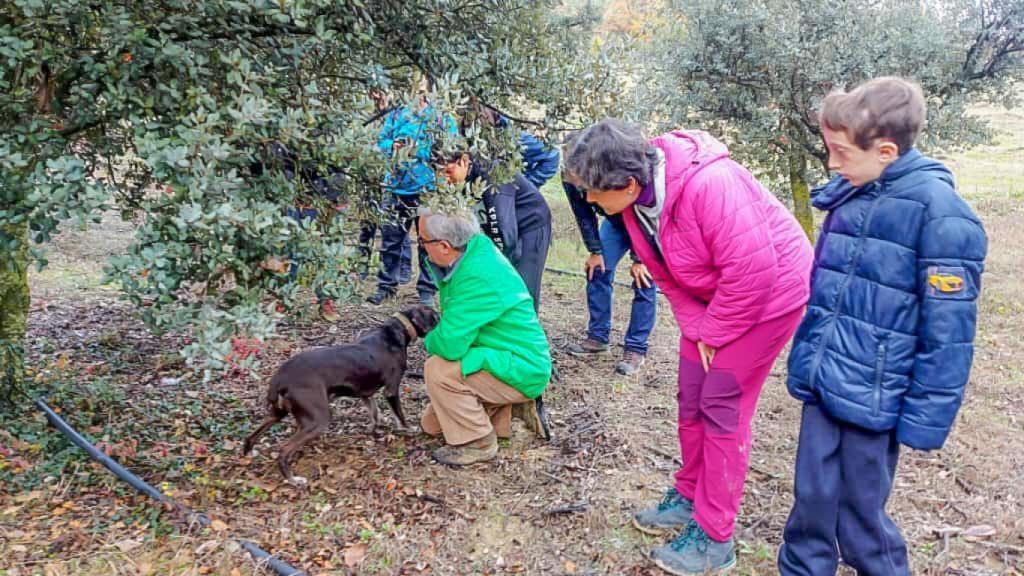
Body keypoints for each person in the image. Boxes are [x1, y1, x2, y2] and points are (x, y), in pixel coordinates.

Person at [566, 119, 814, 575]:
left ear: (628, 183)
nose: (588, 200)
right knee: (691, 392)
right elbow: (665, 275)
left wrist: (713, 333)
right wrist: (699, 330)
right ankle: (689, 492)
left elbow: (753, 273)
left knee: (721, 403)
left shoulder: (709, 185)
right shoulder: (633, 205)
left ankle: (715, 536)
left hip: (770, 293)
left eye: (594, 191)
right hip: (716, 295)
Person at [778, 77, 988, 576]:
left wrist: (925, 418)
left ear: (886, 150)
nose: (831, 163)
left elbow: (949, 335)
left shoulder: (943, 217)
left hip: (877, 397)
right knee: (810, 501)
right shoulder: (852, 193)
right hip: (826, 381)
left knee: (859, 519)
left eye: (840, 152)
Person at [416, 209, 552, 466]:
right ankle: (507, 408)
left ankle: (478, 442)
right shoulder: (472, 251)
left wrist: (429, 339)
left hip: (521, 366)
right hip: (498, 355)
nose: (421, 246)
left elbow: (449, 345)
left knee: (438, 369)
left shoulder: (477, 277)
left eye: (422, 240)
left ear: (444, 246)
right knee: (431, 426)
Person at [562, 164, 657, 376]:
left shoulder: (613, 167)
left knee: (644, 279)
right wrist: (595, 250)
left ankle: (635, 348)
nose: (586, 194)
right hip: (615, 223)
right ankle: (598, 337)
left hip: (644, 222)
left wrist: (640, 258)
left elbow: (651, 208)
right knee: (597, 270)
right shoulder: (568, 175)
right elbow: (583, 212)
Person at [367, 88, 457, 307]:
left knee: (429, 242)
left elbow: (450, 149)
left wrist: (418, 151)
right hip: (396, 187)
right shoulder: (397, 114)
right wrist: (394, 146)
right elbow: (381, 141)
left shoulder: (441, 117)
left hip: (428, 189)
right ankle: (386, 287)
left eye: (423, 89)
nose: (419, 93)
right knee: (391, 241)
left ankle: (427, 290)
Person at [436, 149, 552, 312]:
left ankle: (524, 331)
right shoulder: (460, 178)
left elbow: (505, 236)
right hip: (498, 223)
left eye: (448, 171)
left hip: (530, 223)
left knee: (523, 284)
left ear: (464, 160)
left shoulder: (493, 178)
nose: (444, 178)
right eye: (439, 173)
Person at [357, 89, 413, 283]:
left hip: (392, 176)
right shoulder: (362, 111)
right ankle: (361, 265)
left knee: (395, 224)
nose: (377, 96)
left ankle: (403, 268)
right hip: (369, 175)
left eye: (382, 93)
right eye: (375, 93)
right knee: (367, 223)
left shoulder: (400, 113)